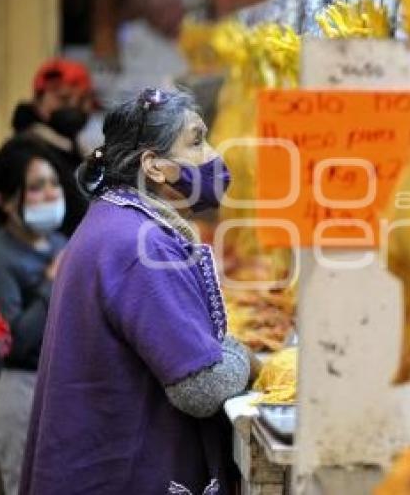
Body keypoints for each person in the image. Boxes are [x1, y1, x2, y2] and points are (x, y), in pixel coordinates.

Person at [21, 88, 258, 495]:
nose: (213, 155)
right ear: (154, 166)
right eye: (197, 141)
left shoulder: (119, 221)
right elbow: (200, 387)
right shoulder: (138, 244)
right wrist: (248, 360)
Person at [0, 138, 70, 495]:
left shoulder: (59, 243)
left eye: (54, 183)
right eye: (36, 187)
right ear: (6, 201)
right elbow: (13, 343)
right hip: (22, 390)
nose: (52, 193)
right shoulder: (0, 257)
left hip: (61, 385)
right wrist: (51, 284)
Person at [11, 59, 96, 235]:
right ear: (38, 101)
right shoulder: (23, 150)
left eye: (81, 100)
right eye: (63, 98)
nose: (73, 106)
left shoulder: (74, 149)